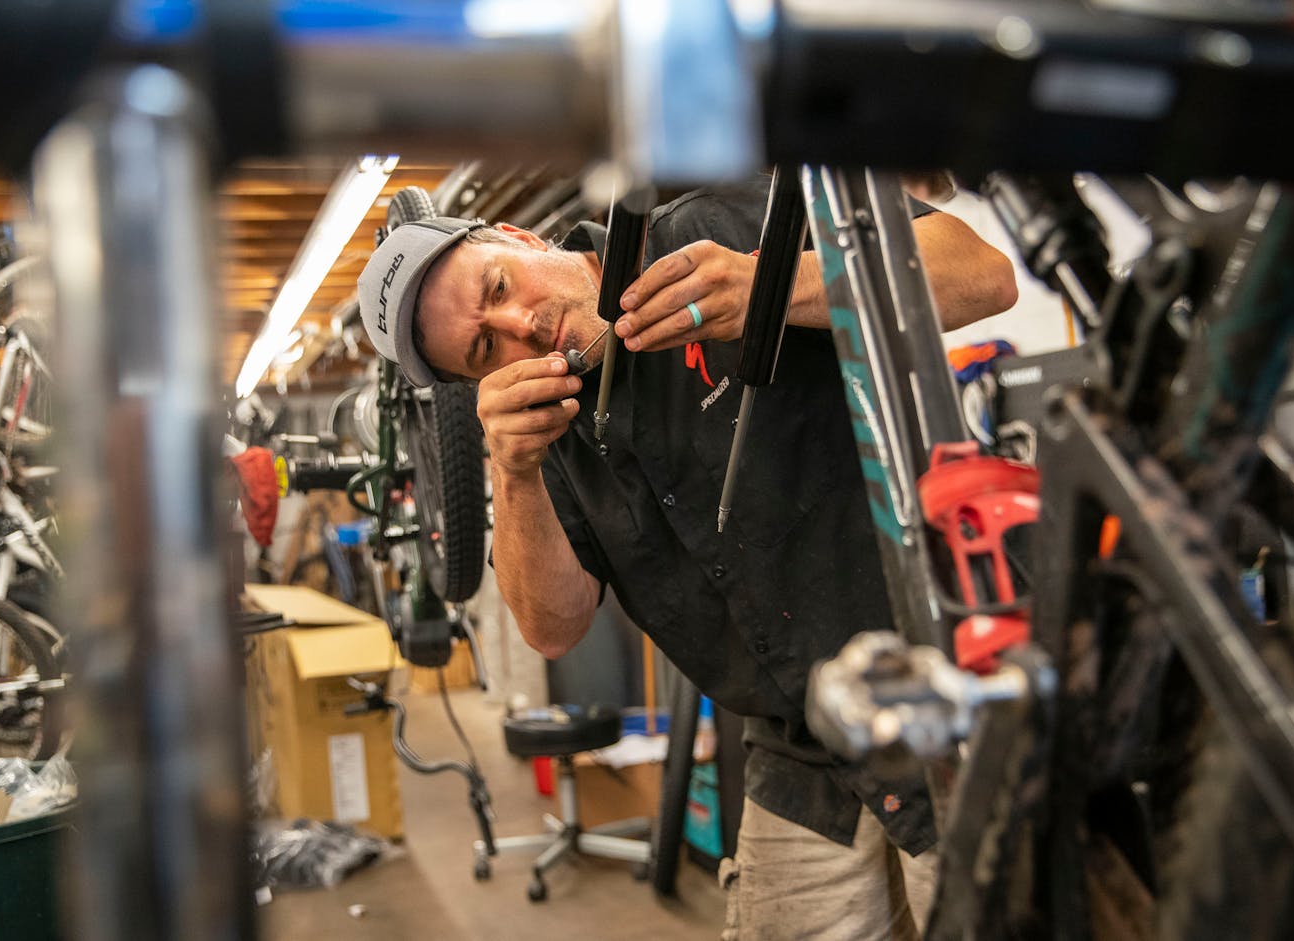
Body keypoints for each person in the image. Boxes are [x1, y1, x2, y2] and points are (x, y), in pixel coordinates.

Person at [358, 176, 1016, 940]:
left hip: (946, 690)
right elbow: (552, 627)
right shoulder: (547, 434)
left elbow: (982, 276)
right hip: (801, 743)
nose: (521, 324)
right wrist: (513, 472)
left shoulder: (704, 230)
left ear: (520, 237)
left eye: (499, 286)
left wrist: (771, 285)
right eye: (484, 348)